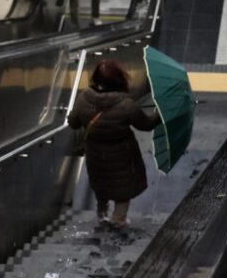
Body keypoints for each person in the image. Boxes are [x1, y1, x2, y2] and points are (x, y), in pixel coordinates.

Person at [67, 60, 161, 227]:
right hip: (122, 153)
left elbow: (73, 123)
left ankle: (101, 214)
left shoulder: (83, 99)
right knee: (122, 188)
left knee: (100, 182)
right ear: (120, 80)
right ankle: (118, 220)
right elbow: (146, 125)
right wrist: (159, 114)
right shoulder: (126, 105)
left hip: (95, 152)